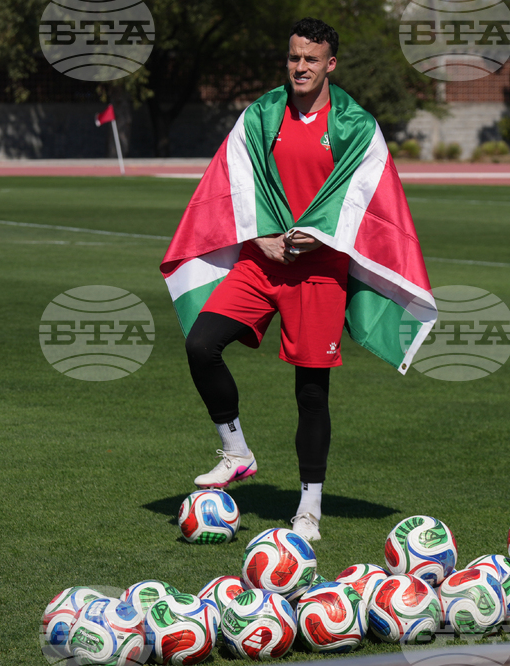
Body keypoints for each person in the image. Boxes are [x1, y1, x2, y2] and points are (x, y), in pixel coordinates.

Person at [183, 18, 349, 542]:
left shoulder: (354, 123)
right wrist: (258, 239)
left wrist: (318, 238)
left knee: (311, 393)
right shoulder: (262, 113)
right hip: (262, 259)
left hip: (320, 270)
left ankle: (308, 508)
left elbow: (362, 200)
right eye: (294, 57)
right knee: (201, 344)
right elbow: (234, 180)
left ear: (330, 65)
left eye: (311, 59)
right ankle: (236, 452)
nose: (300, 67)